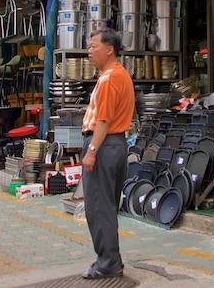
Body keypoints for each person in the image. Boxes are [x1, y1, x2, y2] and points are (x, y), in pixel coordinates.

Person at [80, 28, 135, 280]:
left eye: (94, 46)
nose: (89, 51)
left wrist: (91, 151)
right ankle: (110, 258)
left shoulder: (109, 78)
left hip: (103, 145)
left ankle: (108, 263)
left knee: (99, 207)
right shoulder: (119, 75)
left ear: (109, 49)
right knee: (106, 205)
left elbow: (103, 120)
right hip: (115, 145)